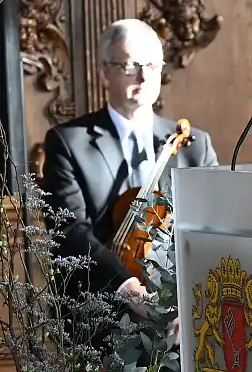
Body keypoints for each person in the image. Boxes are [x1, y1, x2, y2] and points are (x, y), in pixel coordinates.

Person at [43, 18, 219, 346]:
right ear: (103, 73)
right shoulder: (69, 143)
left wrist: (189, 302)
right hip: (104, 317)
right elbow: (70, 232)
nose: (143, 75)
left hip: (185, 317)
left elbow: (214, 226)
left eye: (151, 64)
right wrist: (130, 290)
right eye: (130, 65)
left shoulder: (195, 144)